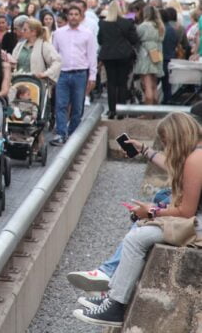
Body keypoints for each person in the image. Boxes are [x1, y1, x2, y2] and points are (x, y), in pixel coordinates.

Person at [72, 112, 202, 327]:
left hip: (197, 224)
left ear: (177, 138)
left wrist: (151, 213)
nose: (167, 148)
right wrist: (143, 150)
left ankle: (114, 306)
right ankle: (113, 294)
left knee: (138, 237)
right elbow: (175, 167)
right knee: (145, 222)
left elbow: (186, 212)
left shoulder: (196, 159)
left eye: (168, 143)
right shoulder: (196, 153)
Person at [51, 6, 97, 146]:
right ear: (67, 16)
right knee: (61, 105)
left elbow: (92, 55)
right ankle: (60, 133)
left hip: (80, 74)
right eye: (70, 14)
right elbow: (54, 54)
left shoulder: (87, 34)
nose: (73, 17)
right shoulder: (58, 33)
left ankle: (73, 134)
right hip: (63, 74)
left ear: (81, 16)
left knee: (78, 106)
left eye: (76, 14)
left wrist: (92, 76)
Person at [98, 0, 138, 118]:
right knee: (122, 83)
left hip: (108, 56)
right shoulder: (127, 23)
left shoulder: (103, 24)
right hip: (124, 55)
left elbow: (100, 40)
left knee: (111, 83)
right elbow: (134, 40)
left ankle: (112, 110)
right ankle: (121, 109)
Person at [134, 5, 165, 106]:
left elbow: (136, 37)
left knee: (146, 85)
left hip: (146, 56)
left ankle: (148, 111)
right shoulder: (160, 26)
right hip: (157, 54)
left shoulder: (143, 26)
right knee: (154, 86)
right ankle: (155, 110)